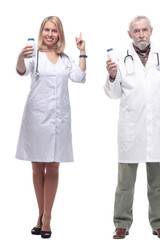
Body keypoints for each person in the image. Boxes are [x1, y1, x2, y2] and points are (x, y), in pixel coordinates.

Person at [104, 15, 160, 239]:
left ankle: (159, 223)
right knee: (125, 183)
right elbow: (112, 94)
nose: (141, 35)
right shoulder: (120, 58)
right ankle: (122, 223)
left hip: (157, 129)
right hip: (131, 129)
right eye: (136, 31)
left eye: (144, 30)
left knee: (157, 183)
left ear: (151, 31)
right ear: (129, 34)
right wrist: (112, 75)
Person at [15, 16, 86, 239]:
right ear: (41, 32)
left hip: (58, 120)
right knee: (37, 166)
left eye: (54, 30)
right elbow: (21, 71)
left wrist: (83, 52)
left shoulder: (65, 59)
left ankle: (48, 217)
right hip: (36, 118)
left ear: (59, 34)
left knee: (53, 166)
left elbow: (80, 77)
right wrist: (19, 56)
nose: (49, 34)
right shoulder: (33, 55)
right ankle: (41, 214)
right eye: (46, 29)